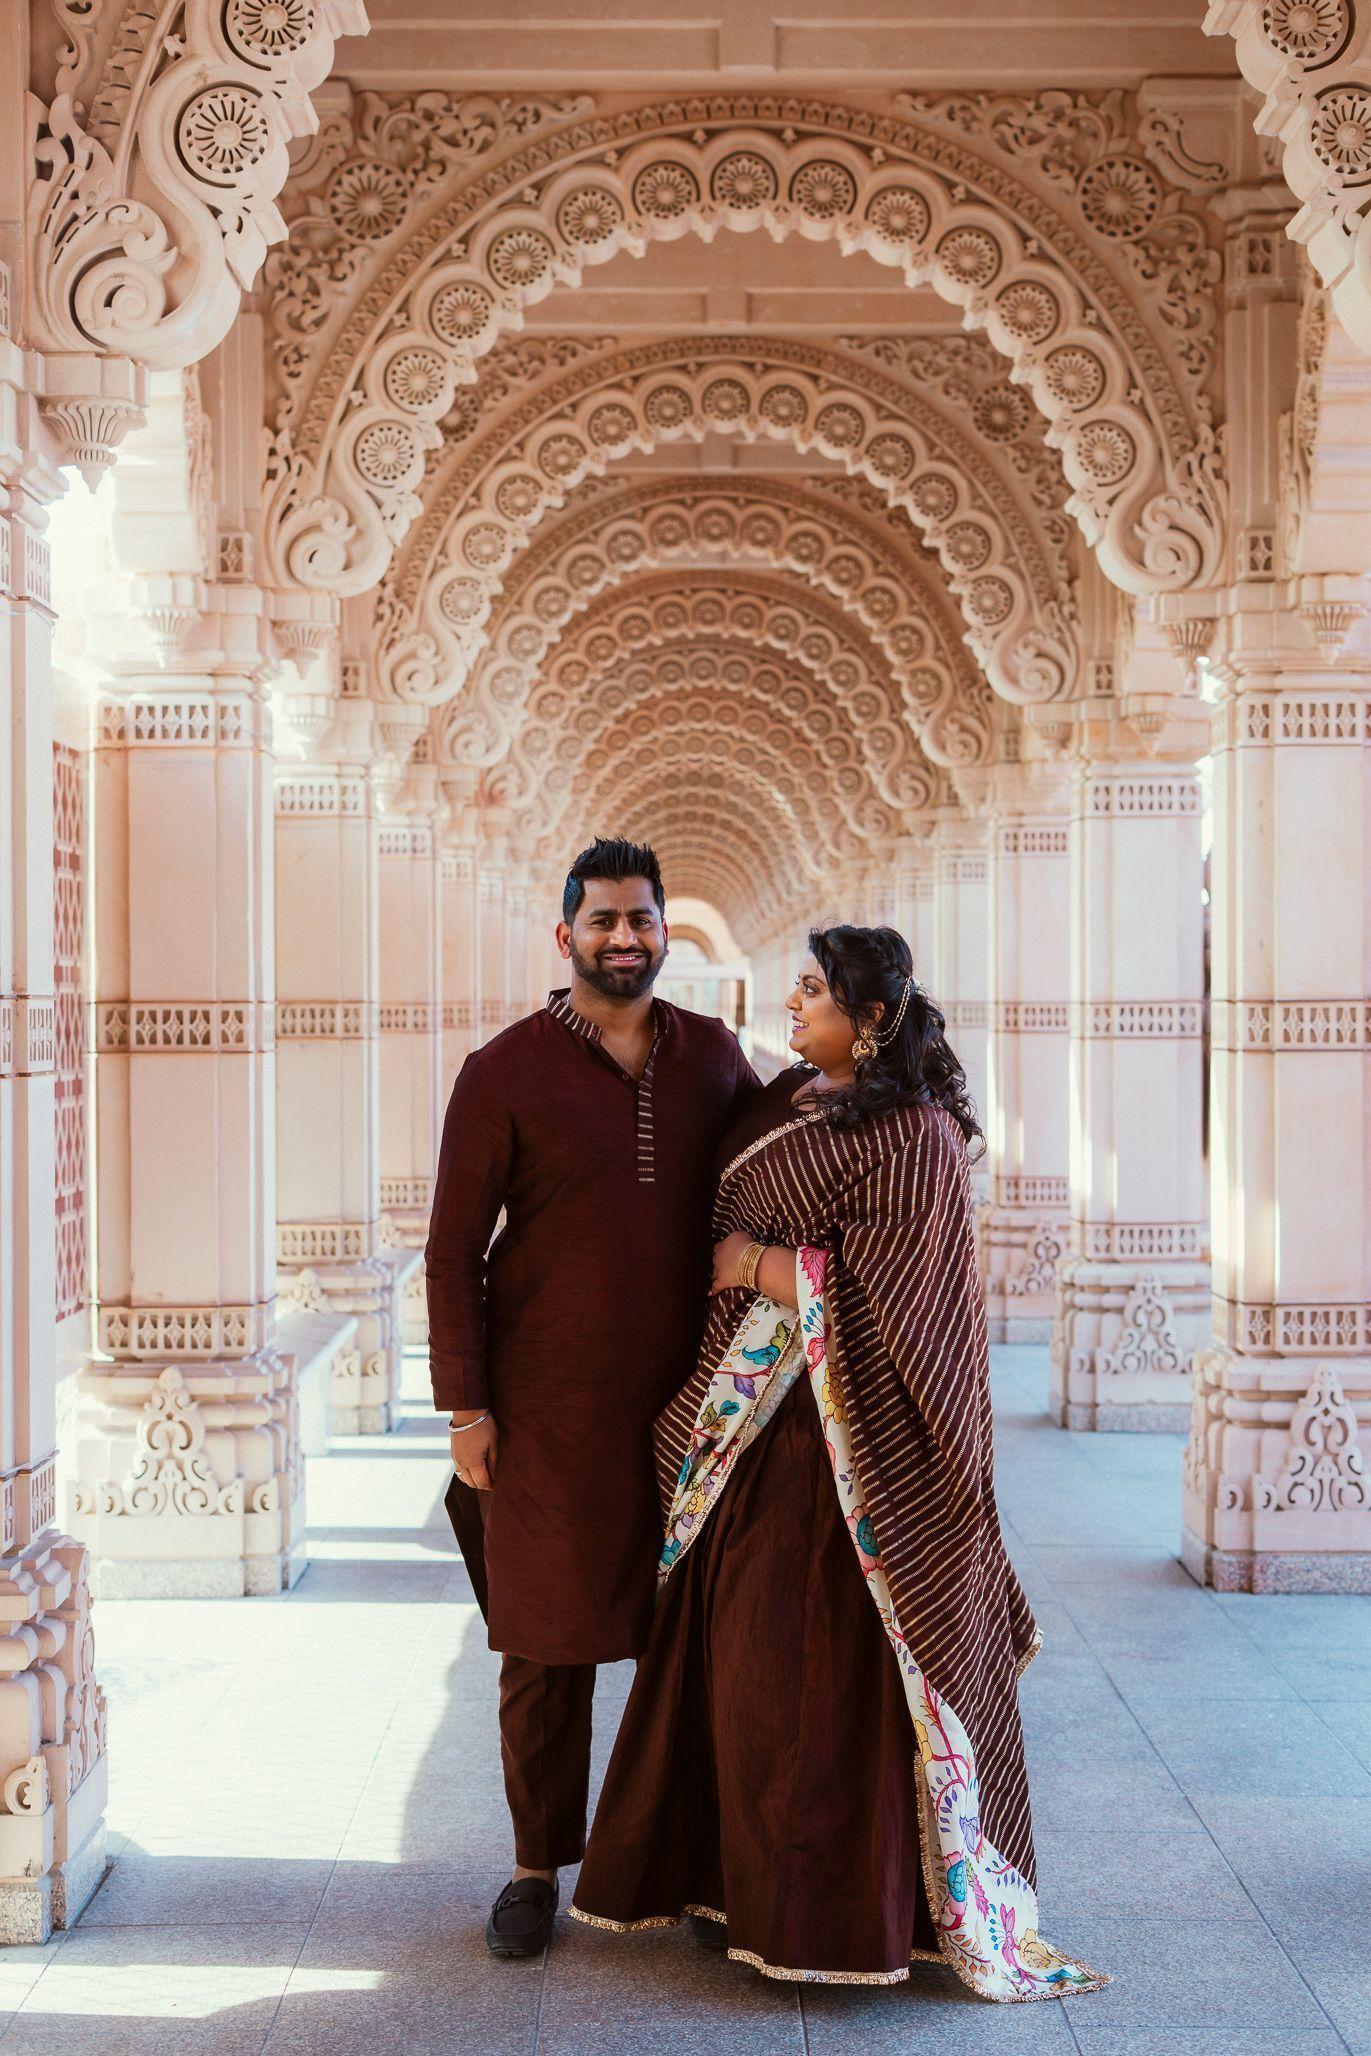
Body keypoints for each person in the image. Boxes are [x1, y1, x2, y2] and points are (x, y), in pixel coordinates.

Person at [570, 925, 1105, 2003]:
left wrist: (767, 1266)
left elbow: (905, 1300)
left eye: (815, 992)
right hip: (759, 1444)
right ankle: (735, 1889)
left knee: (825, 1681)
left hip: (856, 1456)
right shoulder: (784, 1102)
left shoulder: (913, 1133)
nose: (795, 1007)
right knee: (749, 1666)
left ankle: (849, 1914)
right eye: (796, 989)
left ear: (870, 1020)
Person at [424, 836, 758, 1960]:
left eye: (643, 919)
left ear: (667, 930)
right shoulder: (502, 1071)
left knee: (702, 1638)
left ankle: (706, 1867)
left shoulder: (714, 1057)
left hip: (692, 1412)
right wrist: (468, 1408)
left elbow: (782, 1169)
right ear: (565, 933)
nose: (626, 937)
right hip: (548, 1415)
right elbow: (452, 1249)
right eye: (604, 919)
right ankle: (533, 1864)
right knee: (544, 1645)